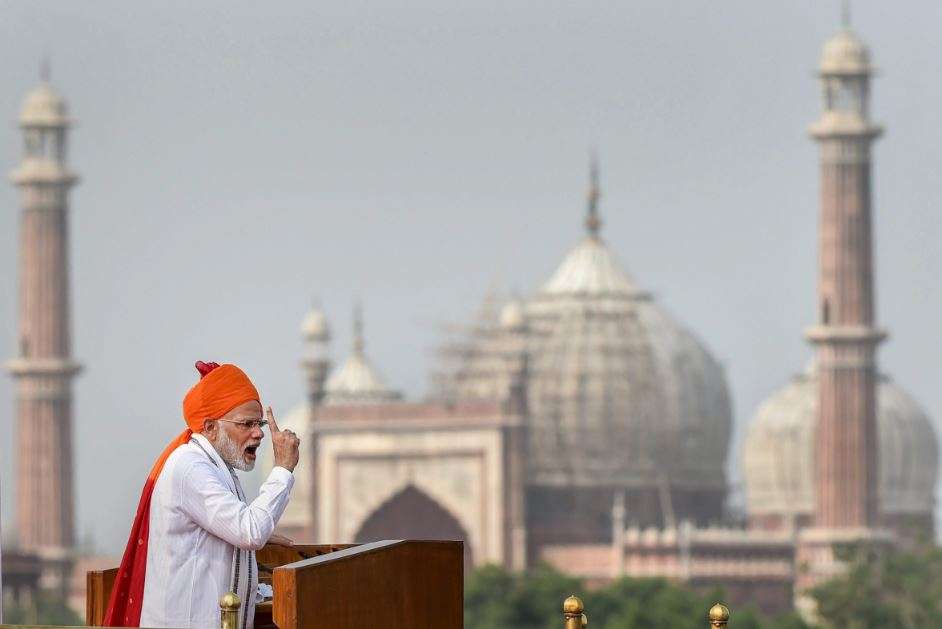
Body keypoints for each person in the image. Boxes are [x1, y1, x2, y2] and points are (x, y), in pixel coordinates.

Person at [104, 361, 300, 628]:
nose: (258, 433)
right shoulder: (190, 467)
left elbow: (239, 532)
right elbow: (250, 531)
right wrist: (283, 469)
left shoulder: (217, 466)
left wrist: (258, 538)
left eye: (259, 423)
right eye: (246, 424)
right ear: (210, 427)